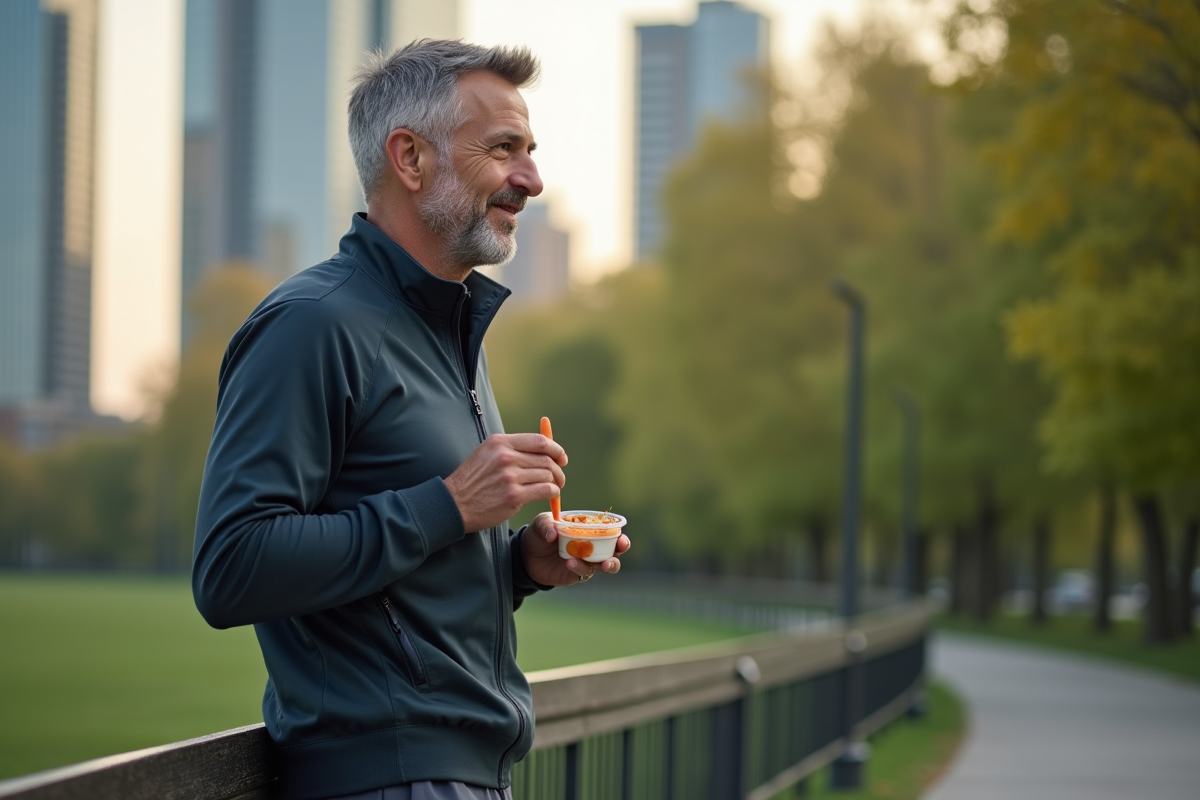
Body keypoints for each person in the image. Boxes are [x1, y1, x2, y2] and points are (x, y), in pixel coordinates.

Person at [191, 40, 629, 800]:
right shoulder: (312, 326)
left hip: (468, 779)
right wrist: (450, 504)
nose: (531, 178)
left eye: (530, 151)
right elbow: (231, 567)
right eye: (503, 150)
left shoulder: (449, 329)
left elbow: (401, 585)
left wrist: (518, 566)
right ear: (410, 158)